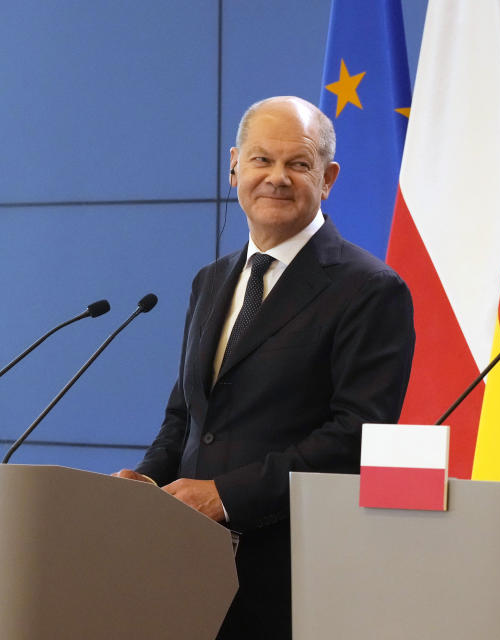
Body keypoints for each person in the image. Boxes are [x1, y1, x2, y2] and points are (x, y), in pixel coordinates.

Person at [115, 96, 416, 639]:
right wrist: (146, 483)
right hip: (186, 567)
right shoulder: (211, 280)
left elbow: (357, 437)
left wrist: (226, 494)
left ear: (327, 178)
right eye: (261, 160)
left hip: (295, 578)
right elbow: (185, 415)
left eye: (298, 165)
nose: (276, 178)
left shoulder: (370, 290)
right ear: (234, 165)